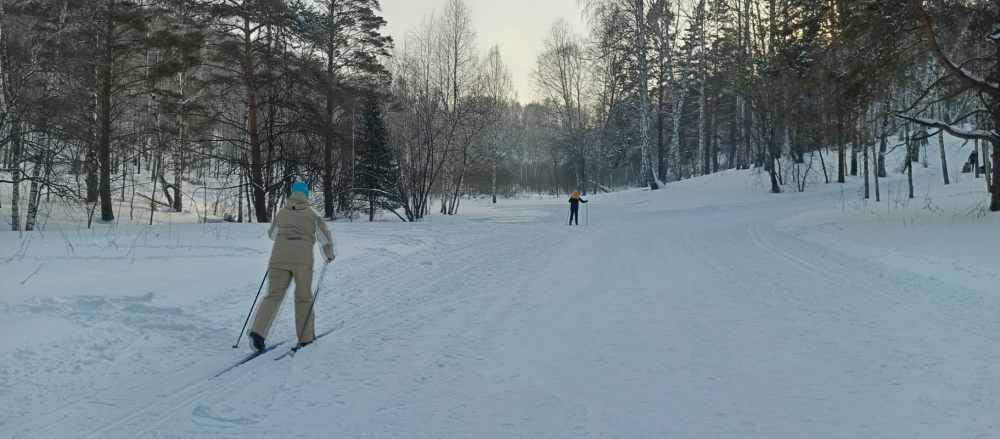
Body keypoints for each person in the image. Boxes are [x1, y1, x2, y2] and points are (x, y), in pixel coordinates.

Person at [248, 181, 335, 352]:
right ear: (306, 195)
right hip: (302, 261)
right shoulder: (312, 215)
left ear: (292, 194)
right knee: (303, 297)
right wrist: (328, 255)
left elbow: (272, 234)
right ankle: (306, 338)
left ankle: (257, 333)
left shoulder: (282, 212)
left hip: (278, 259)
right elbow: (325, 238)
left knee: (272, 296)